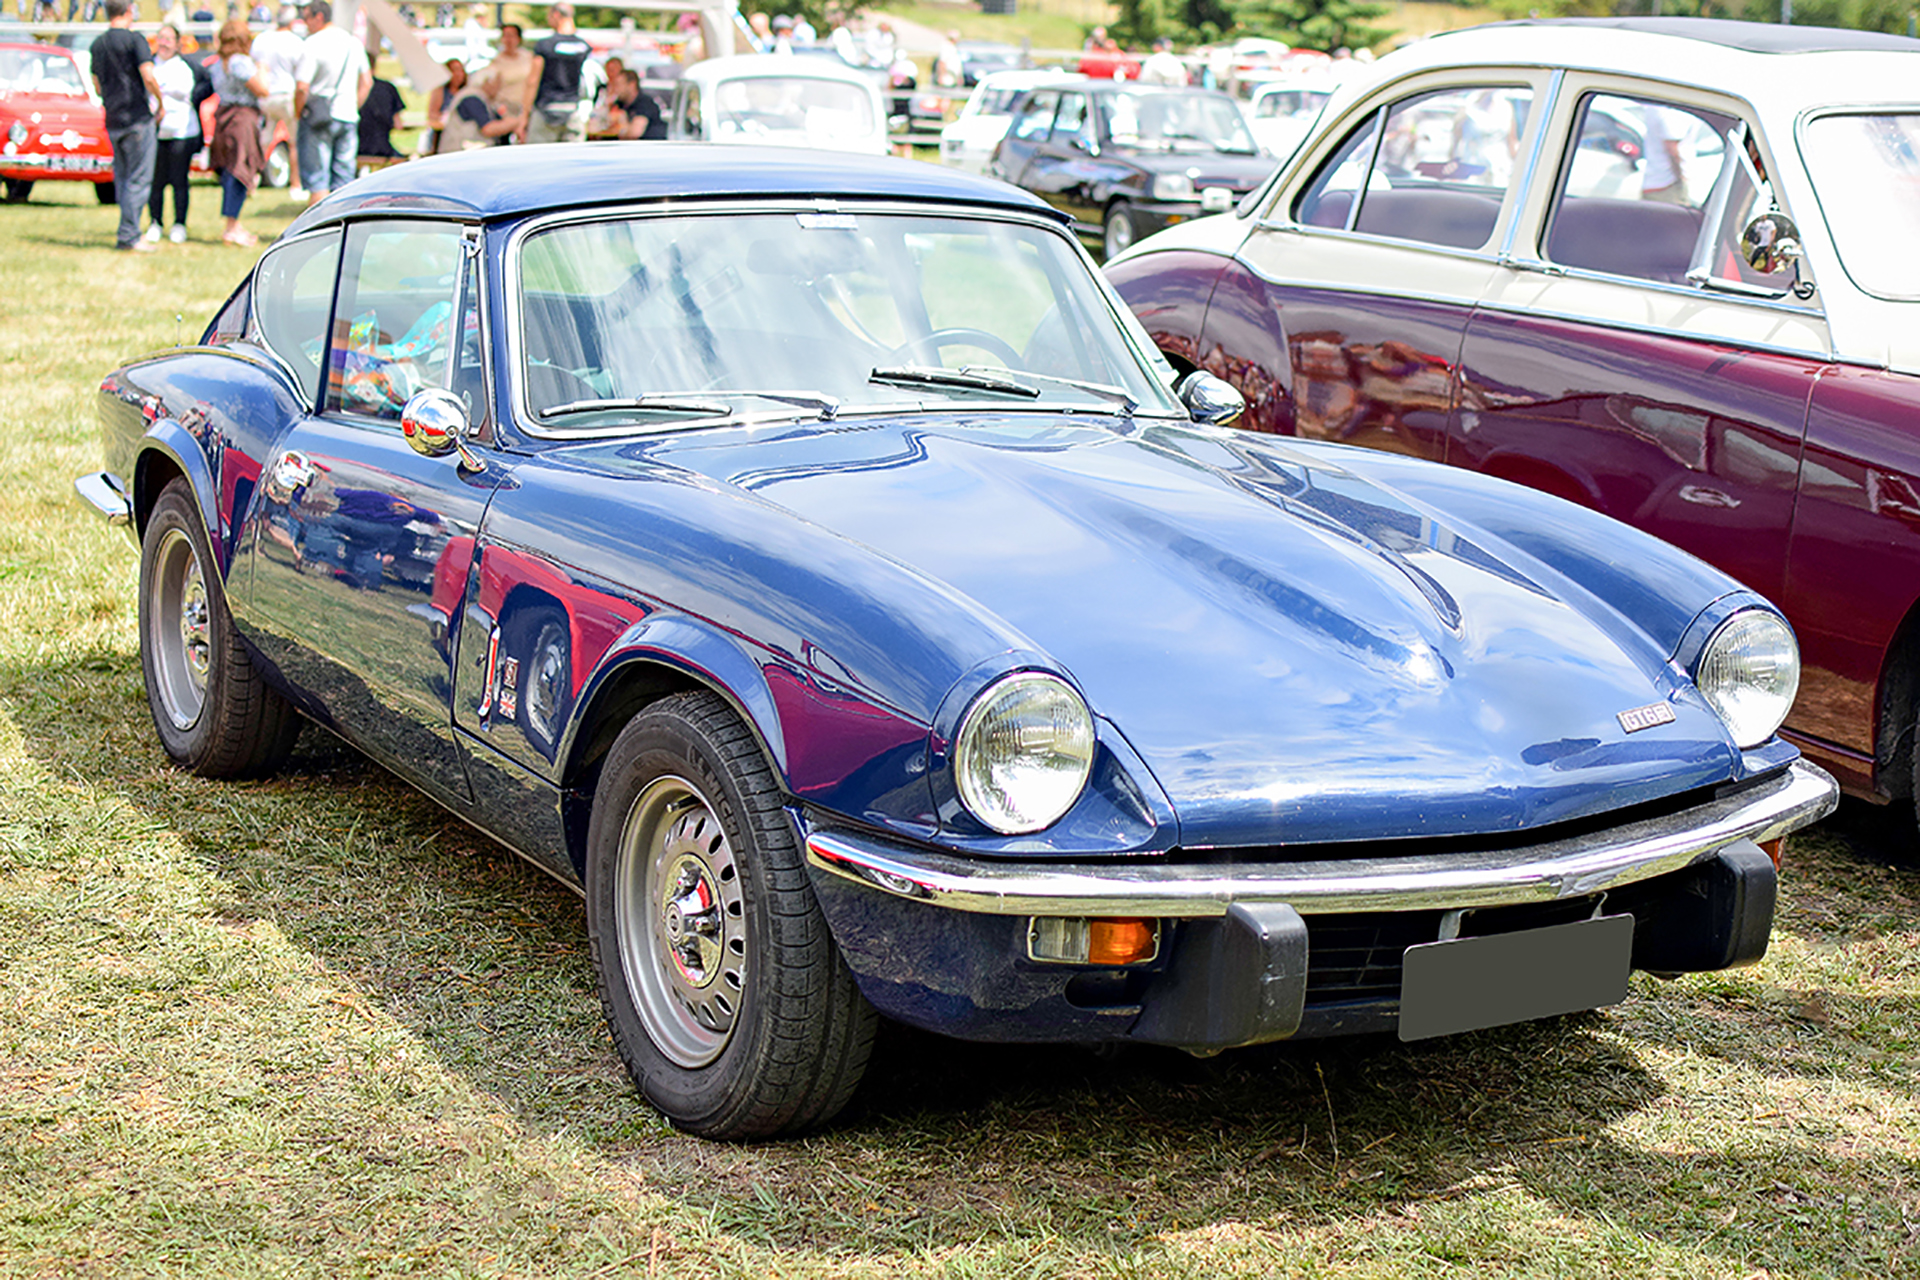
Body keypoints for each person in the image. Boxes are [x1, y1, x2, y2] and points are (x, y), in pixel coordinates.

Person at [90, 0, 163, 252]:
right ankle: (129, 235)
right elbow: (148, 75)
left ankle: (127, 228)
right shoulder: (136, 41)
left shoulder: (97, 44)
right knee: (139, 178)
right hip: (136, 118)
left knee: (122, 178)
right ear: (129, 11)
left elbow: (97, 83)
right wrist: (159, 101)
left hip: (113, 119)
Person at [293, 0, 370, 204]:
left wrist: (298, 111)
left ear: (319, 17)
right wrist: (355, 104)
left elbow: (302, 86)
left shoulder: (313, 43)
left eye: (307, 18)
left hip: (319, 116)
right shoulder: (353, 42)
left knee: (318, 179)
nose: (305, 23)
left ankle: (319, 229)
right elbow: (367, 81)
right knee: (343, 179)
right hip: (348, 114)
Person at [208, 16, 270, 245]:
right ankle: (231, 227)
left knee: (230, 171)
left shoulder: (217, 64)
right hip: (242, 118)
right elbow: (262, 90)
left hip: (224, 118)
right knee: (239, 170)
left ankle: (233, 224)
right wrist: (262, 69)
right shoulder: (240, 62)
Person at [145, 24, 199, 244]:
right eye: (161, 38)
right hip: (156, 132)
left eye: (169, 39)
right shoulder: (150, 65)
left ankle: (179, 224)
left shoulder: (183, 68)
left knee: (179, 180)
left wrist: (158, 87)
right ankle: (155, 222)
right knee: (155, 181)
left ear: (178, 44)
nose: (164, 42)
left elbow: (183, 90)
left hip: (180, 132)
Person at [518, 2, 592, 144]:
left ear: (556, 15)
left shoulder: (545, 45)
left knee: (541, 159)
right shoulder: (584, 47)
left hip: (546, 110)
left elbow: (533, 80)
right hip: (573, 110)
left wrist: (524, 116)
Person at [250, 5, 304, 149]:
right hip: (287, 95)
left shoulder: (262, 39)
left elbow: (254, 66)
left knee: (263, 141)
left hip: (266, 95)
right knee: (295, 142)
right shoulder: (296, 42)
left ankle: (259, 169)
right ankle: (294, 171)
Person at [434, 63, 521, 151]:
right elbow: (488, 129)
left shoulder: (486, 99)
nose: (499, 88)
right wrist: (515, 122)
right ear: (488, 82)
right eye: (497, 83)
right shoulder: (472, 98)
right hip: (457, 151)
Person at [479, 22, 532, 121]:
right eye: (505, 36)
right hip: (506, 109)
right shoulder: (497, 62)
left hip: (526, 107)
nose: (508, 40)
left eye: (511, 36)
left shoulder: (528, 57)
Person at [357, 74, 405, 160]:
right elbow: (398, 125)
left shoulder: (349, 88)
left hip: (355, 149)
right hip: (383, 149)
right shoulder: (388, 88)